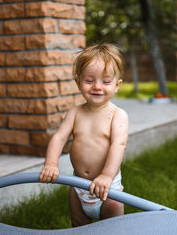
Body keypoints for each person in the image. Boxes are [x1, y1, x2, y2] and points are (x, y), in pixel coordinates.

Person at [40, 43, 129, 227]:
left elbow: (118, 145)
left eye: (105, 82)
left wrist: (106, 175)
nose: (97, 86)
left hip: (107, 189)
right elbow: (59, 137)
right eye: (89, 80)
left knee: (113, 228)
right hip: (78, 186)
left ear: (117, 85)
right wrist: (51, 163)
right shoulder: (75, 113)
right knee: (79, 225)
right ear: (78, 82)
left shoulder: (117, 115)